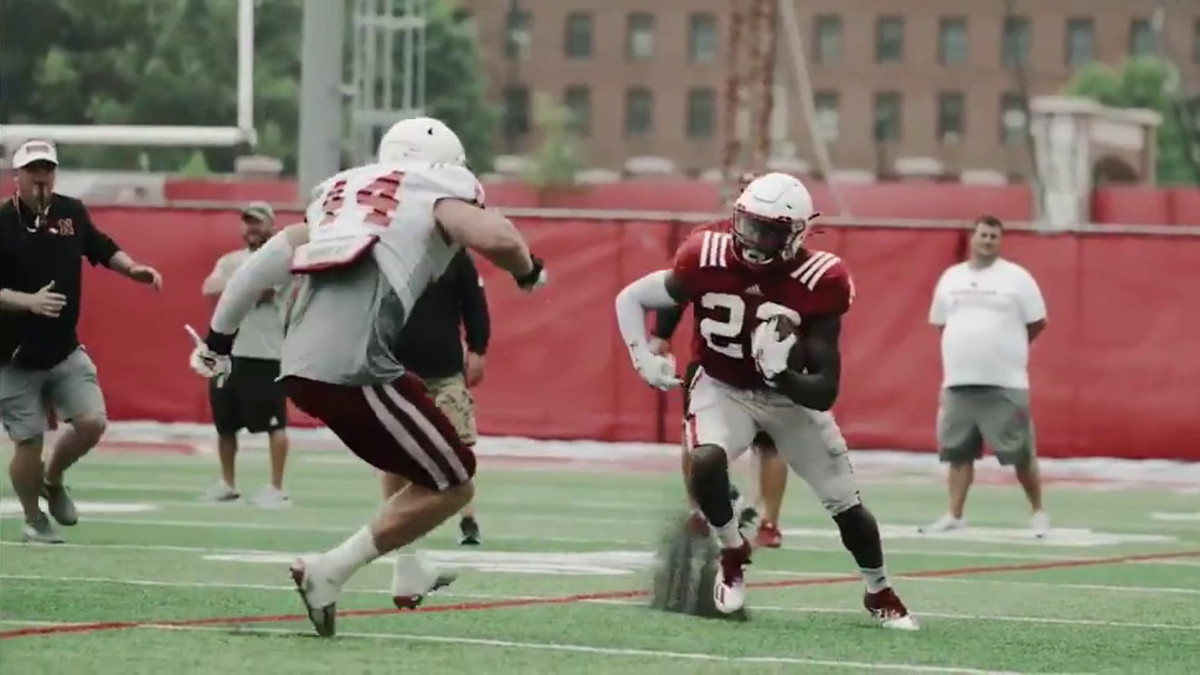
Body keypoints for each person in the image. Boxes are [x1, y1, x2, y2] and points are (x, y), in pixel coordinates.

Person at [187, 116, 546, 638]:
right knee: (455, 482)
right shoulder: (437, 188)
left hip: (302, 365)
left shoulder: (340, 195)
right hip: (353, 365)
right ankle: (328, 571)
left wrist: (218, 343)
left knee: (424, 448)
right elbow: (492, 235)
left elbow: (255, 270)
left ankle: (407, 565)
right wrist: (528, 269)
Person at [614, 172, 916, 629]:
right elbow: (632, 297)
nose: (754, 240)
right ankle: (733, 551)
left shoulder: (821, 279)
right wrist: (644, 353)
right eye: (749, 225)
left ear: (795, 234)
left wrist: (785, 375)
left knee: (847, 506)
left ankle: (879, 590)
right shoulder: (705, 253)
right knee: (705, 461)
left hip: (788, 401)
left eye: (768, 231)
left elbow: (826, 388)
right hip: (722, 385)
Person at [0, 139, 162, 544]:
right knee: (28, 441)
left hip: (63, 347)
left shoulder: (71, 211)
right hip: (13, 355)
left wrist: (133, 268)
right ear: (16, 175)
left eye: (47, 169)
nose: (41, 177)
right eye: (33, 170)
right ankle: (34, 518)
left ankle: (53, 480)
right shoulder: (2, 221)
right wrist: (27, 302)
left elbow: (101, 247)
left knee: (92, 423)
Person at [921, 215, 1049, 538]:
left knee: (1020, 452)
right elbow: (941, 322)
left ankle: (1037, 512)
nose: (988, 240)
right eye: (983, 235)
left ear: (1000, 241)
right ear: (972, 238)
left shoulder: (1017, 278)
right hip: (959, 380)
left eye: (994, 236)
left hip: (1005, 381)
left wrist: (1007, 347)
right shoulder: (951, 278)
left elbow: (1037, 322)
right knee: (958, 451)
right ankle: (954, 513)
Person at [392, 248, 490, 545]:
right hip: (394, 368)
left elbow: (475, 304)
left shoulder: (455, 256)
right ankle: (391, 520)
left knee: (455, 448)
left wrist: (478, 349)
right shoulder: (390, 249)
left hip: (444, 370)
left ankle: (468, 518)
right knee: (393, 450)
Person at [199, 201, 291, 507]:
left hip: (265, 354)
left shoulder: (281, 260)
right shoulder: (231, 260)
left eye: (259, 222)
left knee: (275, 425)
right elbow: (210, 289)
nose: (252, 228)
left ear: (271, 226)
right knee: (225, 425)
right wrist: (240, 286)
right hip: (229, 354)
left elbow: (261, 291)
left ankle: (276, 487)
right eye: (248, 222)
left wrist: (236, 287)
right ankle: (228, 483)